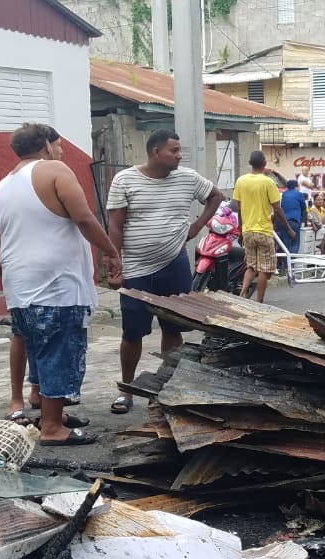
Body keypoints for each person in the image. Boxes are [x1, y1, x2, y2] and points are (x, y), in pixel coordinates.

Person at [0, 123, 121, 446]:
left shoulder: (3, 185)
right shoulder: (53, 170)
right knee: (60, 349)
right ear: (45, 146)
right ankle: (51, 427)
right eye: (59, 145)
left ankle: (50, 411)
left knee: (38, 348)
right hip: (55, 284)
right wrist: (110, 251)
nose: (61, 151)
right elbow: (85, 218)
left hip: (20, 284)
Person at [106, 129, 222, 415]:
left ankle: (166, 386)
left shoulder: (188, 178)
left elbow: (216, 196)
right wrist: (114, 263)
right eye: (174, 150)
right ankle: (127, 389)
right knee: (132, 332)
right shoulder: (125, 180)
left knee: (173, 328)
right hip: (136, 269)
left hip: (174, 264)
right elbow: (115, 226)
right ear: (156, 152)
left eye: (180, 150)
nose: (179, 155)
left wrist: (197, 226)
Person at [233, 150, 293, 302]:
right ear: (264, 164)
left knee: (251, 266)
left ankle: (243, 293)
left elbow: (239, 208)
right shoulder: (268, 182)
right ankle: (259, 301)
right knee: (265, 271)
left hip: (248, 231)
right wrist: (288, 229)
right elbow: (277, 209)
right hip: (264, 231)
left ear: (250, 163)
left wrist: (241, 230)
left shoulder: (241, 181)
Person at [276, 178, 308, 259]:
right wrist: (305, 223)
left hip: (282, 222)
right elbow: (304, 210)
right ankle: (291, 267)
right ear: (296, 186)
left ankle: (285, 267)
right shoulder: (299, 194)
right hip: (293, 222)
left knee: (285, 245)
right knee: (295, 244)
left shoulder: (283, 194)